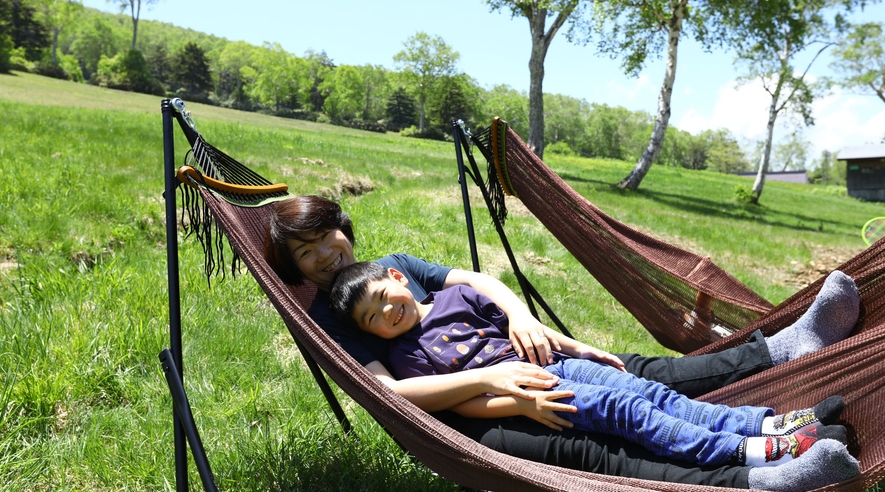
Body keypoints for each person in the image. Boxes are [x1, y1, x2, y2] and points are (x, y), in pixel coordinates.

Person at [263, 195, 862, 489]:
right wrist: (495, 384)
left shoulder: (388, 268)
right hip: (472, 409)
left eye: (325, 237)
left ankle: (777, 370)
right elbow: (391, 391)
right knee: (603, 448)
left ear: (343, 228)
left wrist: (529, 321)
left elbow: (471, 283)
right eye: (305, 253)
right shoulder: (336, 316)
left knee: (639, 379)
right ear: (293, 267)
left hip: (522, 358)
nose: (322, 256)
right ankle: (753, 475)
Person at [326, 261, 855, 489]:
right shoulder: (405, 357)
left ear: (398, 277)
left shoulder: (455, 297)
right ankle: (751, 456)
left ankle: (767, 427)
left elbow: (516, 325)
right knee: (631, 413)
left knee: (649, 392)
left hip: (555, 363)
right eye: (372, 319)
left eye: (382, 299)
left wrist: (573, 346)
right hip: (536, 392)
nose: (385, 315)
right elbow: (447, 403)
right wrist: (515, 401)